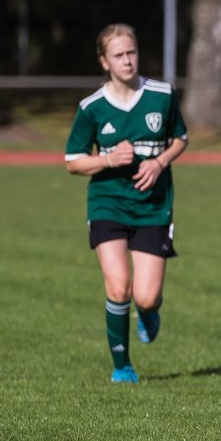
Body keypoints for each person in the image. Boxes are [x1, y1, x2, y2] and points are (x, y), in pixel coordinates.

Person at [64, 23, 189, 383]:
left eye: (131, 52)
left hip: (153, 206)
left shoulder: (162, 95)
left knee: (146, 298)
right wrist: (106, 161)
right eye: (118, 55)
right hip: (108, 204)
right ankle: (122, 366)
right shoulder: (91, 108)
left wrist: (159, 161)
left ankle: (149, 313)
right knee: (119, 287)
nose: (127, 60)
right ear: (105, 62)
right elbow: (72, 161)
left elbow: (180, 138)